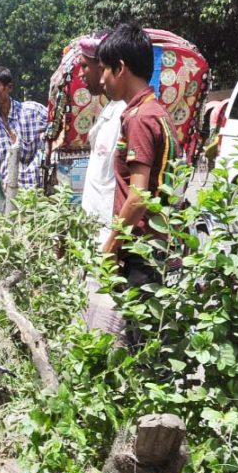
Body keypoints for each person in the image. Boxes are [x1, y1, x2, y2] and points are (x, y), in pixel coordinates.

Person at [98, 23, 181, 286]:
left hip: (144, 251)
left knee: (139, 327)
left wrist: (110, 248)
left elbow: (138, 197)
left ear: (120, 68)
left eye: (103, 70)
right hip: (159, 243)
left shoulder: (140, 118)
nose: (101, 80)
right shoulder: (156, 111)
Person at [77, 31, 126, 247]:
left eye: (85, 66)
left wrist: (112, 245)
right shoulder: (111, 108)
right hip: (96, 234)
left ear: (103, 67)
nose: (81, 74)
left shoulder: (124, 114)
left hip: (107, 239)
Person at [0, 66, 48, 189]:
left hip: (34, 196)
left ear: (9, 88)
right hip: (3, 199)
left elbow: (59, 125)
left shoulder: (33, 112)